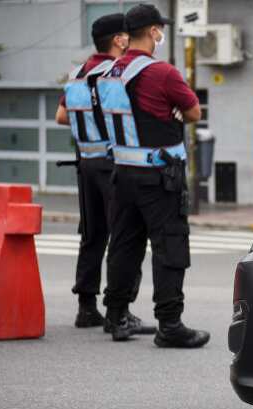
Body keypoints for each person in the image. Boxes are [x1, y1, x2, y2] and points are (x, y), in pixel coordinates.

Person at [96, 3, 209, 348]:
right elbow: (193, 111)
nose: (162, 34)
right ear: (154, 32)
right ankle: (170, 324)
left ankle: (117, 317)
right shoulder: (163, 73)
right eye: (160, 29)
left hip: (123, 174)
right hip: (159, 177)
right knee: (169, 245)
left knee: (123, 246)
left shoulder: (110, 72)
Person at [54, 13, 155, 337]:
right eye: (125, 36)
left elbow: (61, 117)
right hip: (114, 163)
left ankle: (86, 307)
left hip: (86, 163)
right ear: (119, 40)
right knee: (126, 237)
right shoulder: (110, 74)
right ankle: (120, 310)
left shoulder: (76, 74)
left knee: (92, 234)